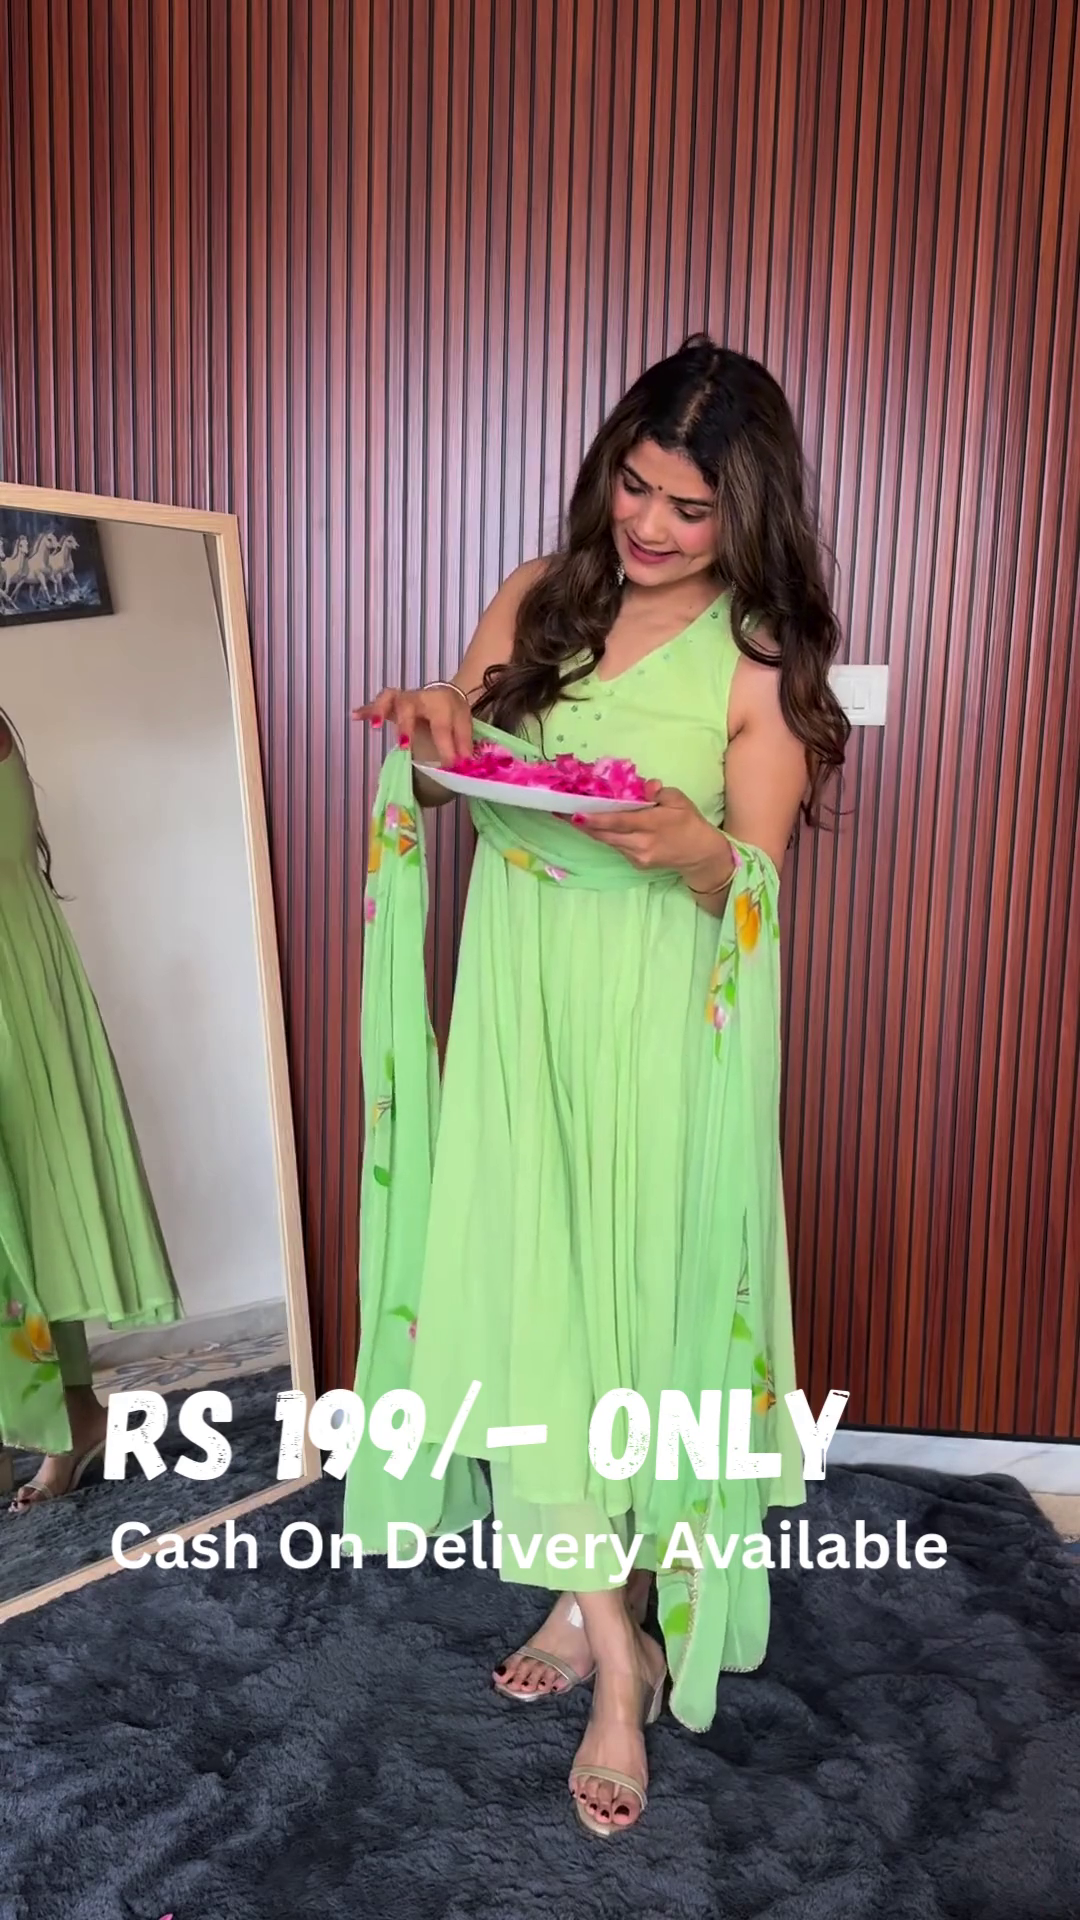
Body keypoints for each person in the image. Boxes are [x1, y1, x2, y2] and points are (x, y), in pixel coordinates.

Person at [346, 335, 848, 1835]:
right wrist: (435, 730)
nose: (651, 526)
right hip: (521, 1005)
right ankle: (607, 1634)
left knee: (627, 1310)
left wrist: (699, 847)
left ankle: (605, 1637)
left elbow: (752, 885)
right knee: (537, 1298)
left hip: (654, 1029)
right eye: (635, 486)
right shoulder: (542, 598)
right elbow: (463, 752)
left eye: (692, 507)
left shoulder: (759, 660)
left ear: (748, 514)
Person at [0, 707, 181, 1511]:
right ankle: (59, 1418)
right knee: (18, 1217)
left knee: (25, 1214)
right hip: (19, 980)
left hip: (11, 991)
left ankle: (68, 1419)